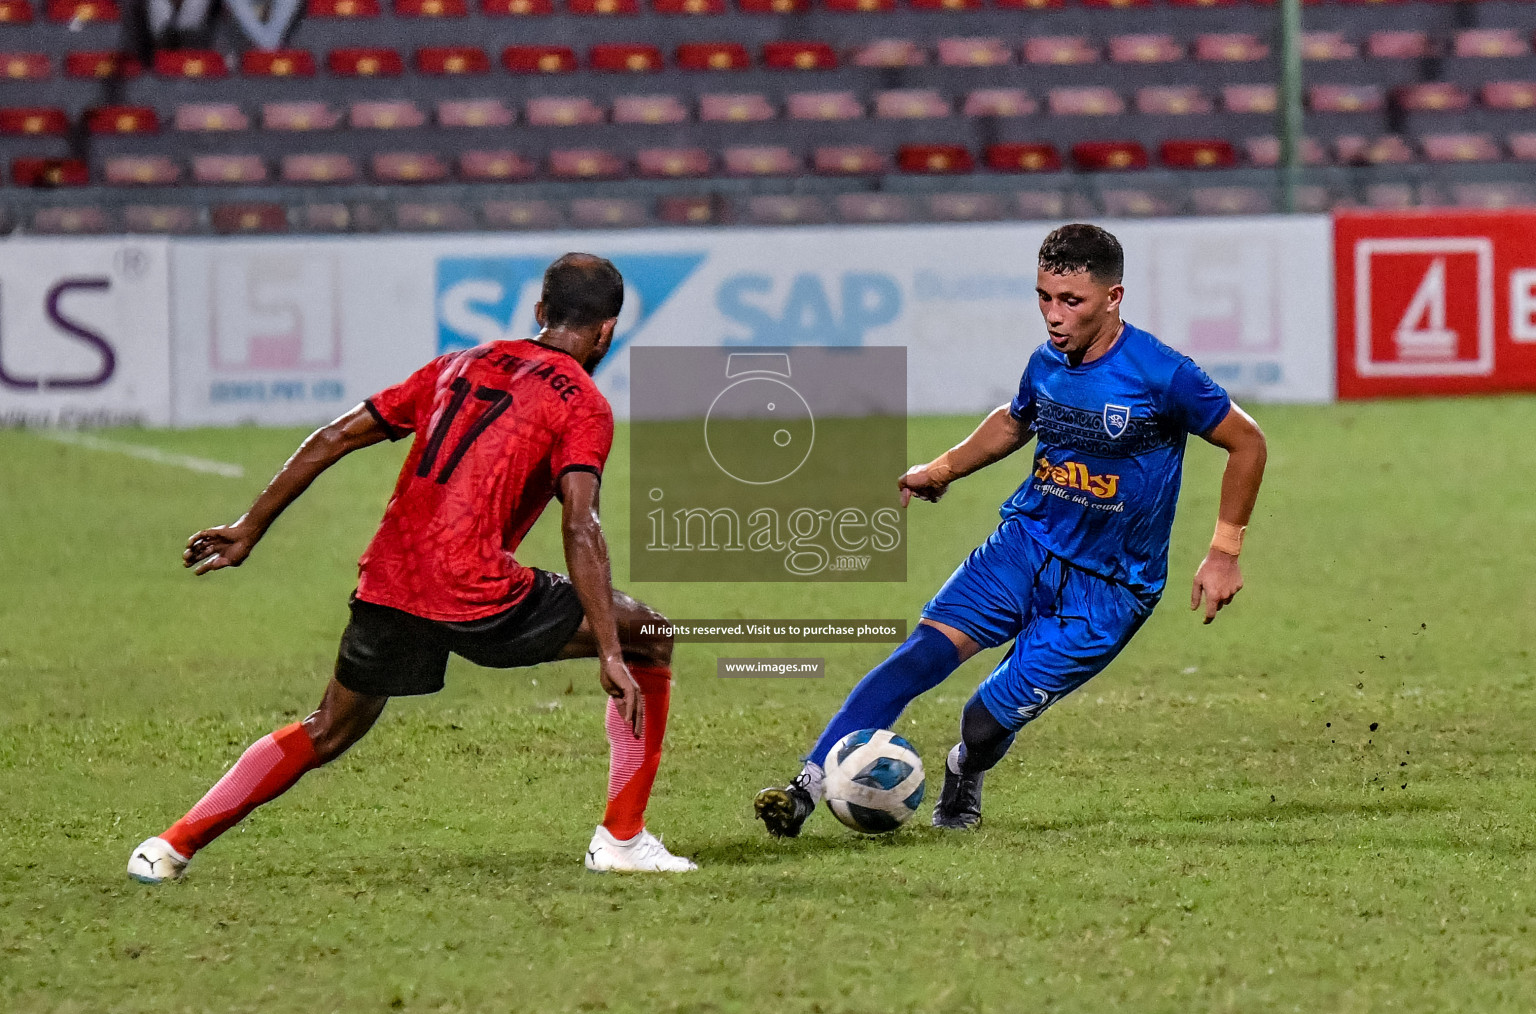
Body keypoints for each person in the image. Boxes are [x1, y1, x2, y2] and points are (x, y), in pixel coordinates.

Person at [128, 253, 696, 880]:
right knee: (650, 635)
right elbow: (579, 522)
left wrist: (249, 527)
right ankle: (621, 839)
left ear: (539, 312)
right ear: (608, 331)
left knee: (329, 728)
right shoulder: (583, 403)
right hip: (475, 586)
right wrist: (611, 650)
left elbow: (335, 435)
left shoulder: (459, 363)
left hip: (391, 578)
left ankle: (170, 846)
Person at [755, 223, 1268, 835]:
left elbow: (1248, 442)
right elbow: (1016, 418)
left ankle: (964, 767)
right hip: (1024, 545)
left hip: (1109, 589)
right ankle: (805, 789)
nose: (1053, 315)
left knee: (984, 722)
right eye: (1044, 297)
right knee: (917, 658)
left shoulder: (1164, 374)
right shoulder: (1047, 360)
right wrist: (942, 468)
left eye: (1070, 301)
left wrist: (1224, 551)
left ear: (1114, 297)